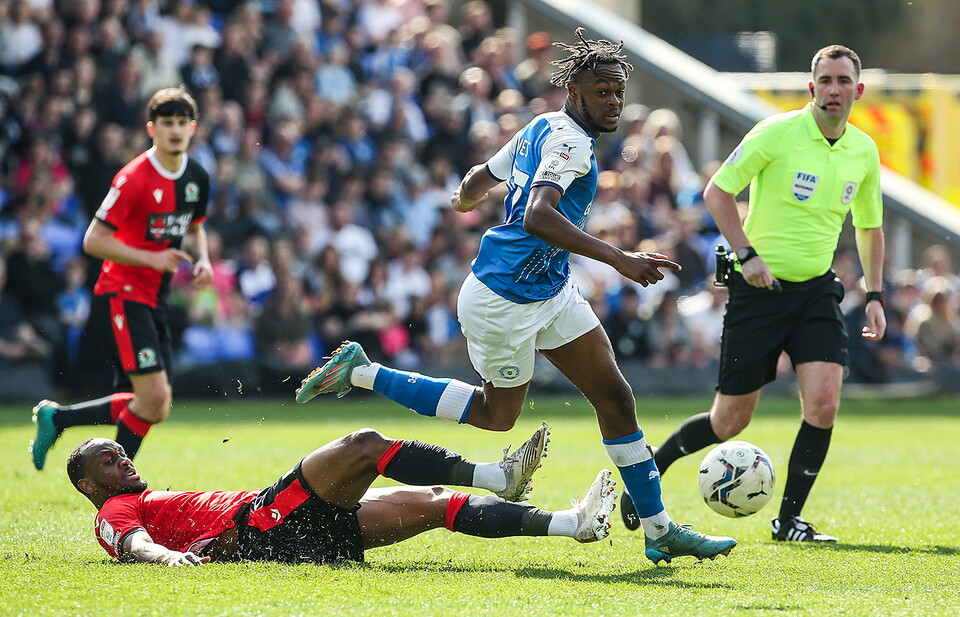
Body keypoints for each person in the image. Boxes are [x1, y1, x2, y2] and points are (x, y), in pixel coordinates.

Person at [296, 28, 736, 565]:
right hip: (502, 300)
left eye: (619, 92)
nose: (614, 103)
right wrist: (620, 259)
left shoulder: (542, 127)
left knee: (616, 398)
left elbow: (483, 176)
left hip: (548, 290)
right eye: (602, 92)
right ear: (574, 89)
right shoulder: (569, 141)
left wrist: (464, 197)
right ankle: (362, 372)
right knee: (495, 416)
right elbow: (536, 214)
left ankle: (659, 528)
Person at [620, 45, 886, 543]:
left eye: (842, 81)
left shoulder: (864, 150)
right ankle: (651, 470)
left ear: (858, 90)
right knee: (729, 421)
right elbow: (717, 192)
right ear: (812, 88)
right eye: (824, 80)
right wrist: (746, 255)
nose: (833, 90)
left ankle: (789, 522)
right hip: (757, 291)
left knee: (824, 405)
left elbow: (870, 226)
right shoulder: (777, 133)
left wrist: (876, 293)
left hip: (815, 294)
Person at [67, 424, 619, 565]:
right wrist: (168, 559)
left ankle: (574, 524)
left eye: (120, 454)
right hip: (264, 524)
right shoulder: (116, 509)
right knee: (363, 445)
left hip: (289, 537)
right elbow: (130, 542)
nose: (124, 462)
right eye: (108, 464)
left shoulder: (136, 496)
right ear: (90, 486)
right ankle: (497, 476)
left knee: (433, 503)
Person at [30, 87, 213, 470]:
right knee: (152, 397)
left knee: (156, 405)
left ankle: (59, 418)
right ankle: (116, 488)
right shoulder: (133, 178)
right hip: (123, 292)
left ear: (193, 128)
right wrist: (153, 257)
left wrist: (204, 261)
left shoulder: (196, 177)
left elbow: (194, 227)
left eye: (182, 123)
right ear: (152, 128)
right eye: (167, 123)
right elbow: (93, 240)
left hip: (155, 297)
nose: (176, 130)